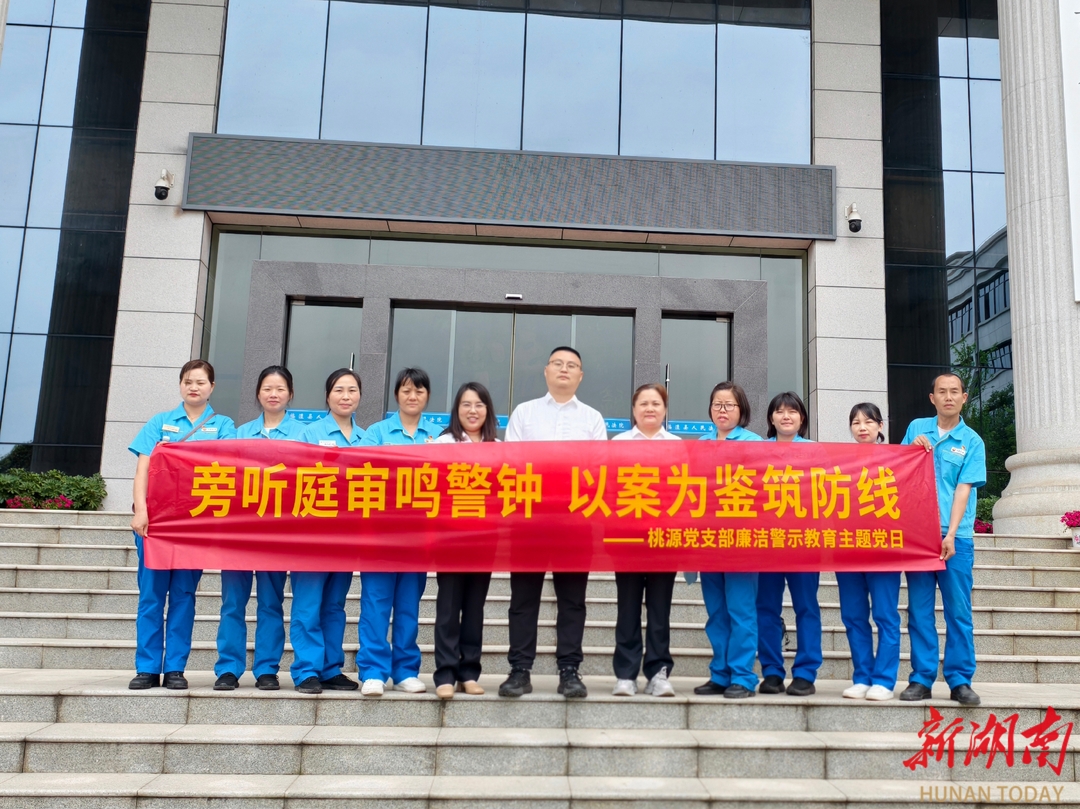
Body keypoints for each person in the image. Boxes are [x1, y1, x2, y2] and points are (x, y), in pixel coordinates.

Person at [499, 346, 607, 700]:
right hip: (529, 520)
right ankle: (519, 670)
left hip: (574, 523)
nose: (564, 369)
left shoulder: (592, 418)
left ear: (581, 376)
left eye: (572, 365)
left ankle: (570, 670)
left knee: (572, 600)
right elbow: (512, 463)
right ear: (546, 371)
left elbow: (598, 470)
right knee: (523, 598)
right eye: (558, 364)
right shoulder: (524, 412)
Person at [128, 360, 237, 690]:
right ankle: (147, 668)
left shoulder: (223, 425)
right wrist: (141, 511)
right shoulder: (159, 422)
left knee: (183, 596)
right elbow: (142, 470)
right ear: (180, 385)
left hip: (193, 527)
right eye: (188, 381)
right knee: (151, 596)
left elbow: (228, 468)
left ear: (212, 387)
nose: (194, 387)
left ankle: (175, 667)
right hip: (156, 524)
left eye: (201, 382)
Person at [214, 366, 305, 692]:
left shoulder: (303, 435)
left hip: (278, 535)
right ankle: (228, 668)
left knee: (270, 602)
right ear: (258, 393)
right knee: (232, 603)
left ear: (290, 394)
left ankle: (267, 668)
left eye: (280, 388)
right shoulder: (239, 434)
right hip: (239, 533)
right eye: (267, 388)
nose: (273, 394)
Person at [900, 373, 986, 706]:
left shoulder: (972, 441)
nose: (948, 397)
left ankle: (960, 680)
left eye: (954, 392)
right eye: (942, 391)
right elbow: (899, 472)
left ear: (964, 398)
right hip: (919, 537)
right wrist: (911, 450)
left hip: (956, 539)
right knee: (919, 610)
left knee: (958, 611)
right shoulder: (916, 429)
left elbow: (963, 489)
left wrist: (950, 534)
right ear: (932, 398)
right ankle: (921, 678)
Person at [357, 368, 441, 696]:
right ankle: (373, 671)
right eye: (406, 390)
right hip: (380, 537)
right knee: (375, 605)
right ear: (397, 395)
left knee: (408, 607)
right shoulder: (377, 433)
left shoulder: (437, 437)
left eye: (419, 391)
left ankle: (406, 670)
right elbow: (361, 475)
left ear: (427, 396)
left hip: (418, 539)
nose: (412, 396)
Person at [290, 368, 365, 695]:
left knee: (334, 605)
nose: (345, 396)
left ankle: (330, 668)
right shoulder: (309, 434)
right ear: (327, 396)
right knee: (307, 606)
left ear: (359, 396)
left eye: (352, 390)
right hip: (313, 536)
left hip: (346, 537)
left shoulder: (366, 439)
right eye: (339, 390)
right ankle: (306, 669)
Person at [610, 383, 680, 697]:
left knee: (659, 609)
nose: (649, 409)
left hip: (664, 539)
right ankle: (626, 674)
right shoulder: (618, 443)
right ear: (634, 409)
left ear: (664, 409)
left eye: (656, 403)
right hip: (626, 539)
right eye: (643, 403)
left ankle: (658, 673)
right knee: (627, 608)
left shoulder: (677, 445)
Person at [694, 381, 762, 699]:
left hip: (741, 542)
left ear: (741, 409)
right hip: (709, 540)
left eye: (729, 405)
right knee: (717, 612)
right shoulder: (700, 444)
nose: (722, 410)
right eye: (717, 404)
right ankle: (720, 674)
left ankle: (743, 677)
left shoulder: (754, 443)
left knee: (741, 611)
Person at [431, 382, 499, 699]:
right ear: (457, 410)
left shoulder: (499, 447)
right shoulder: (443, 444)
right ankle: (445, 673)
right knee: (448, 607)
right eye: (466, 405)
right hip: (451, 538)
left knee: (474, 607)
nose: (473, 411)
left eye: (479, 405)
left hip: (485, 539)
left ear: (488, 410)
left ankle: (469, 672)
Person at [756, 391, 822, 697]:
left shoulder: (815, 451)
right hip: (767, 543)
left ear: (802, 418)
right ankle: (771, 671)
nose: (786, 416)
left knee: (806, 607)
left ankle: (805, 673)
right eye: (780, 411)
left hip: (804, 542)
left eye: (792, 411)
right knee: (766, 608)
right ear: (771, 418)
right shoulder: (758, 451)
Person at [837, 402, 901, 701]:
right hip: (849, 550)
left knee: (886, 615)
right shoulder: (840, 462)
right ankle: (862, 677)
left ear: (880, 426)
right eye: (856, 422)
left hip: (884, 551)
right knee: (853, 616)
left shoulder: (897, 460)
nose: (862, 427)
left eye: (869, 421)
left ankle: (884, 680)